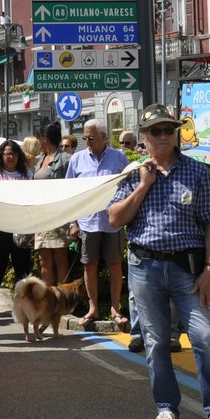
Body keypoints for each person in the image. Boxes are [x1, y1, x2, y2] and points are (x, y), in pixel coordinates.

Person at [108, 103, 210, 419]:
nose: (164, 135)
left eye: (169, 129)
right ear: (144, 136)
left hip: (188, 268)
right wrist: (142, 186)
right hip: (145, 267)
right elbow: (114, 219)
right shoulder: (132, 173)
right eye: (156, 130)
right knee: (155, 342)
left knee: (204, 338)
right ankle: (166, 407)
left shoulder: (197, 172)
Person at [68, 120, 131, 330]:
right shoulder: (76, 159)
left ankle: (115, 308)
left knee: (114, 264)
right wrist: (73, 223)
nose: (87, 141)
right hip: (87, 222)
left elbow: (129, 186)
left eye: (91, 137)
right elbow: (71, 193)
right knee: (90, 265)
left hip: (112, 222)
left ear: (104, 137)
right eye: (84, 137)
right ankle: (93, 308)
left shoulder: (119, 157)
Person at [0, 138, 34, 304]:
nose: (10, 157)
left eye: (13, 154)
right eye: (7, 154)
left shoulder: (27, 173)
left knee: (23, 266)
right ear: (1, 156)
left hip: (21, 225)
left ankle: (24, 302)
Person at [31, 121, 73, 287]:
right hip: (41, 215)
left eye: (38, 137)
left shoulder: (66, 159)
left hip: (59, 214)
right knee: (43, 260)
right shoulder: (39, 160)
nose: (37, 141)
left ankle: (63, 300)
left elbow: (72, 186)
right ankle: (47, 300)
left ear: (44, 138)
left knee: (60, 258)